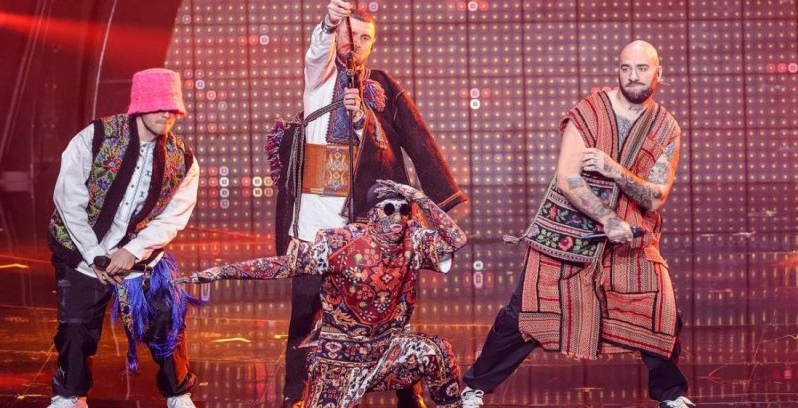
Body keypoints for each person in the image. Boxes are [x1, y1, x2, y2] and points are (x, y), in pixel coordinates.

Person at [459, 40, 695, 408]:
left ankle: (671, 394)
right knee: (524, 314)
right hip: (567, 235)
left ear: (658, 73)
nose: (633, 76)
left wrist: (613, 169)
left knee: (661, 310)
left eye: (642, 69)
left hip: (632, 237)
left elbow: (656, 197)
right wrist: (608, 219)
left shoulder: (666, 128)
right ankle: (473, 386)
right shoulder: (589, 113)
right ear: (618, 71)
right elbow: (568, 177)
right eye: (626, 68)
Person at [265, 1, 468, 406]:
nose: (355, 44)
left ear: (372, 45)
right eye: (349, 34)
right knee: (305, 309)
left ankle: (408, 391)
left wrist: (363, 121)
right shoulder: (320, 79)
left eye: (364, 38)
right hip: (318, 222)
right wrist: (328, 22)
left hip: (369, 222)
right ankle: (294, 394)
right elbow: (316, 52)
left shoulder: (380, 87)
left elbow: (415, 135)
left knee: (386, 311)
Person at [178, 180, 467, 408]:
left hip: (388, 350)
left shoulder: (414, 241)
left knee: (438, 351)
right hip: (340, 359)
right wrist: (218, 272)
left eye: (404, 211)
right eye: (389, 209)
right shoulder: (341, 244)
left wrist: (419, 197)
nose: (397, 218)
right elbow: (279, 266)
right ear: (372, 214)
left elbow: (457, 239)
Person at [46, 68, 201, 408]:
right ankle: (70, 395)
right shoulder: (96, 137)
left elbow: (174, 216)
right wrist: (94, 254)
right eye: (159, 106)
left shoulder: (183, 159)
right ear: (140, 105)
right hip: (82, 251)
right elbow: (68, 197)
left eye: (173, 108)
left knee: (167, 321)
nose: (167, 115)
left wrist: (132, 251)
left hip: (139, 258)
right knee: (75, 328)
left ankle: (178, 393)